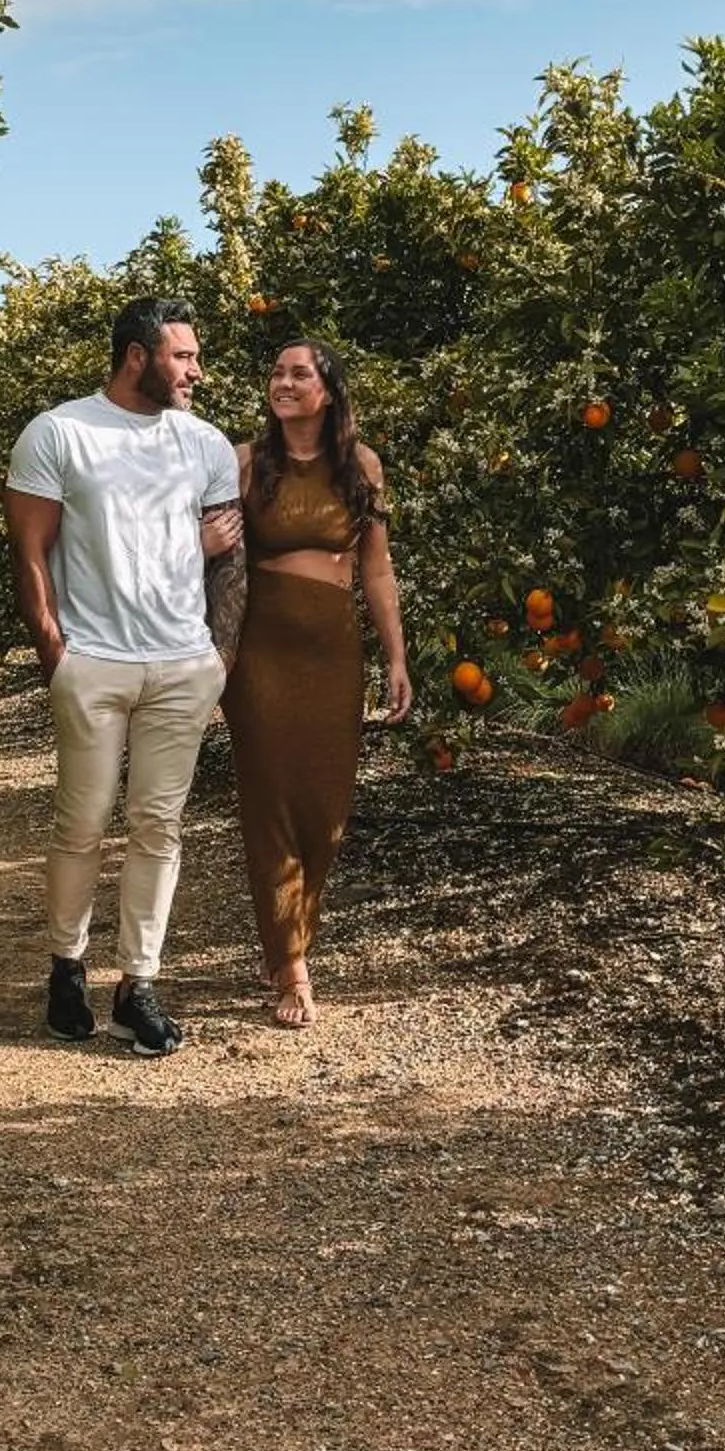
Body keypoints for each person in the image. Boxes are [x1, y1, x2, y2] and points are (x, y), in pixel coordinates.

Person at [4, 299, 242, 1058]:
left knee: (158, 826)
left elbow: (229, 558)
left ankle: (138, 985)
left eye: (195, 357)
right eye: (183, 357)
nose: (196, 371)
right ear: (137, 356)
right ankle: (66, 968)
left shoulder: (203, 444)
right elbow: (30, 553)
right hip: (94, 664)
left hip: (181, 665)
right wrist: (56, 656)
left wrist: (219, 660)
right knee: (82, 822)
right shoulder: (60, 432)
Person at [225, 338, 411, 1029]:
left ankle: (286, 938)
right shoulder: (245, 462)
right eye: (276, 372)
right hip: (260, 653)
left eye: (299, 373)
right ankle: (293, 966)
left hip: (333, 649)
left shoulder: (362, 465)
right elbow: (213, 564)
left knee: (325, 812)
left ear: (328, 389)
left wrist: (395, 658)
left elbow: (378, 570)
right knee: (271, 802)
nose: (283, 382)